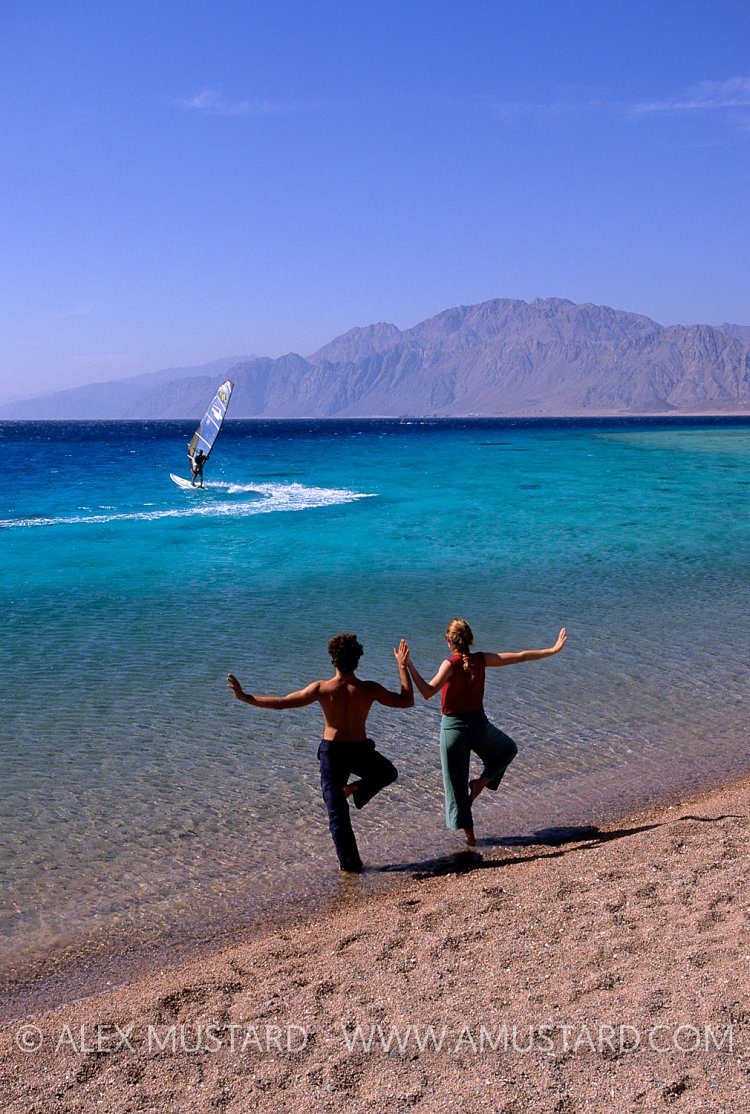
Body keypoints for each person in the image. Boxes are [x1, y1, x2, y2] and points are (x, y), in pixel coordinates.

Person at [227, 634, 413, 872]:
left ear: (333, 661)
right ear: (358, 661)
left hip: (333, 753)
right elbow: (406, 700)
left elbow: (283, 703)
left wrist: (245, 698)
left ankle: (351, 867)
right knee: (387, 773)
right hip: (357, 750)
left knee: (338, 815)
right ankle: (351, 862)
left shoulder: (322, 688)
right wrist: (401, 666)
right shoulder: (369, 689)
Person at [406, 620, 566, 847]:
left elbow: (427, 692)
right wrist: (552, 649)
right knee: (507, 749)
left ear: (448, 640)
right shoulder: (481, 660)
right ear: (469, 638)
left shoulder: (450, 664)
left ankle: (471, 840)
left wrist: (409, 665)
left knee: (456, 788)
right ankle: (481, 782)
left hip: (453, 731)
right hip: (479, 725)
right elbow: (519, 656)